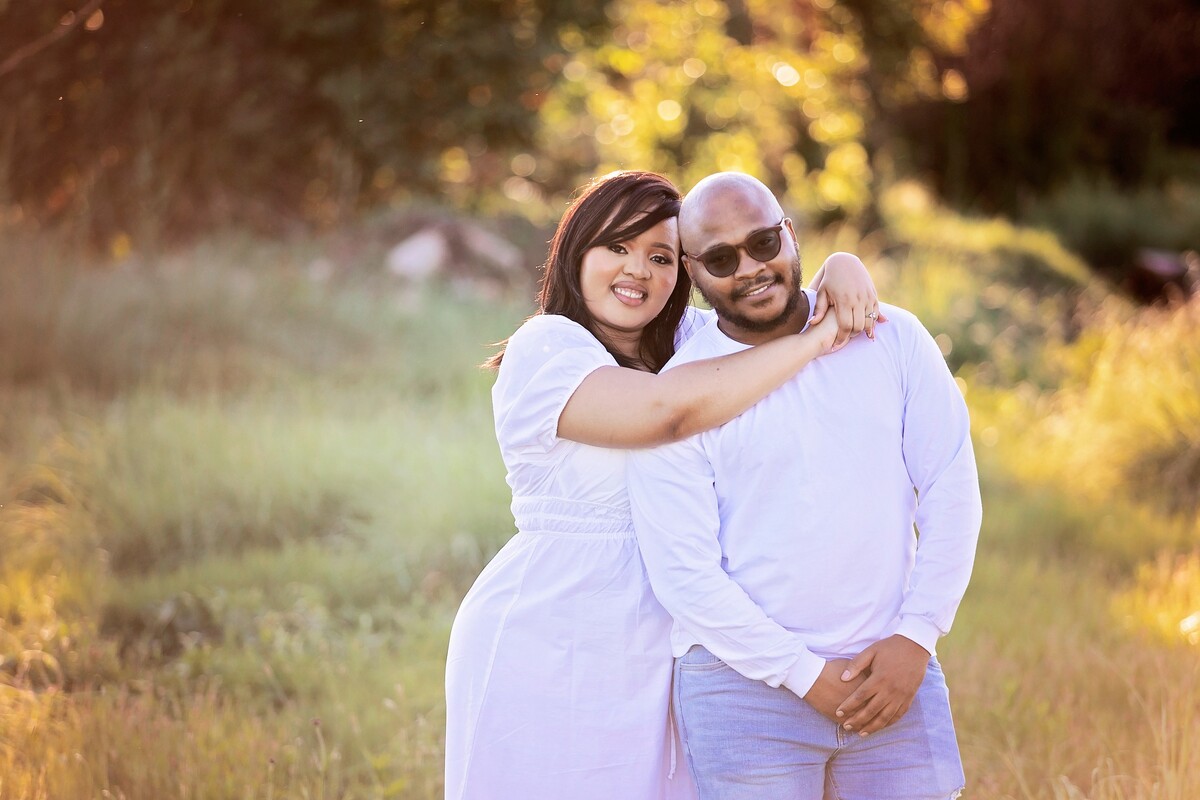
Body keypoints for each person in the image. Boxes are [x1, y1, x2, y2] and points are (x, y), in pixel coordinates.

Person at [444, 170, 882, 800]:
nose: (638, 271)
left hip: (674, 636)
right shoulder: (547, 346)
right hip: (555, 628)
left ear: (686, 270)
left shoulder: (689, 344)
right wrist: (816, 340)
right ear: (575, 252)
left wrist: (838, 268)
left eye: (660, 256)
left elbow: (767, 303)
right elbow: (664, 413)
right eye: (616, 247)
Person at [627, 172, 982, 800]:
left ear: (789, 234)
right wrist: (805, 675)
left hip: (893, 671)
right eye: (720, 258)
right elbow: (684, 575)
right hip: (742, 689)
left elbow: (951, 490)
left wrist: (917, 634)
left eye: (763, 242)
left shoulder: (891, 336)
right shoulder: (682, 391)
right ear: (691, 270)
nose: (749, 268)